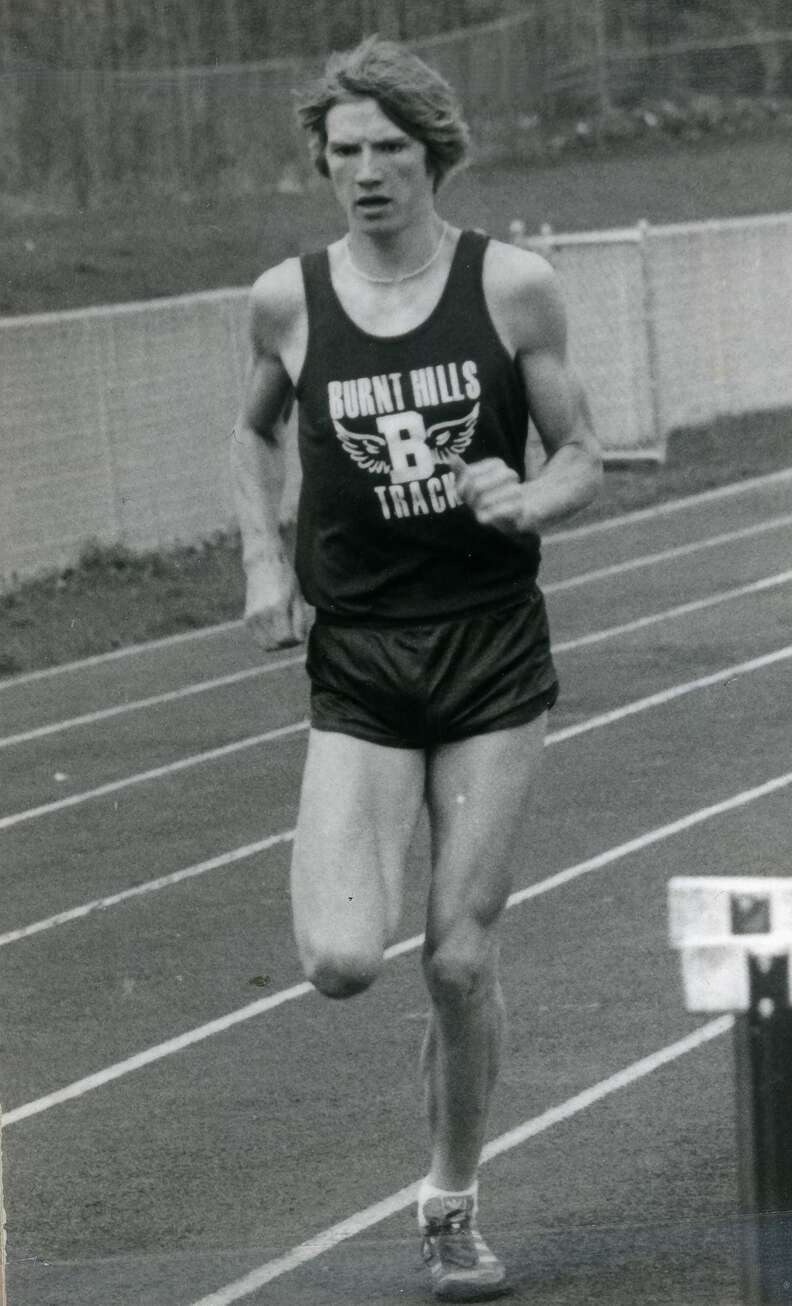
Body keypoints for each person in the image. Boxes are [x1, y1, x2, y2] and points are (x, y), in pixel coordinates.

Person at [230, 36, 601, 1303]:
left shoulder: (512, 287)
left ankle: (449, 1203)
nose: (369, 174)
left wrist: (528, 496)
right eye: (346, 153)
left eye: (391, 149)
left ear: (432, 153)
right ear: (322, 164)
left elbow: (584, 454)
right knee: (341, 959)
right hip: (364, 658)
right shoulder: (290, 297)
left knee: (456, 958)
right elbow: (251, 435)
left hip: (491, 649)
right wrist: (264, 567)